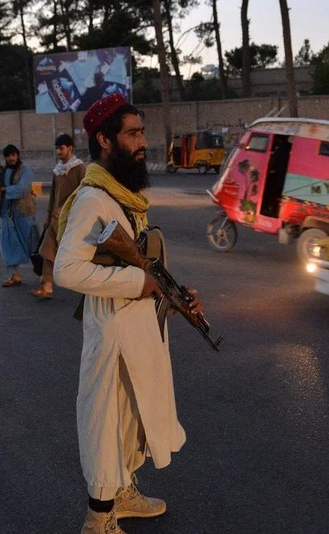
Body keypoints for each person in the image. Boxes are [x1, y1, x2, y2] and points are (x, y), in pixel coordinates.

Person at [53, 93, 203, 533]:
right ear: (104, 139)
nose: (143, 142)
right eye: (133, 133)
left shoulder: (125, 198)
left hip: (139, 327)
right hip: (114, 331)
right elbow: (66, 269)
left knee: (132, 417)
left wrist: (172, 293)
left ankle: (123, 493)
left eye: (142, 132)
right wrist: (138, 284)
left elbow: (142, 262)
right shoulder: (93, 199)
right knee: (105, 418)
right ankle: (98, 520)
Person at [30, 134, 85, 299]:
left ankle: (86, 284)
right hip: (55, 219)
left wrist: (65, 208)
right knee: (49, 248)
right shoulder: (58, 170)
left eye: (61, 148)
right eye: (57, 149)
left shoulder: (79, 168)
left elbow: (84, 192)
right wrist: (49, 216)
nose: (59, 152)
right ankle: (47, 285)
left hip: (73, 219)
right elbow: (53, 196)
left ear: (70, 148)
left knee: (75, 253)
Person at [0, 144, 39, 287]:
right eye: (8, 156)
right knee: (7, 244)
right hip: (6, 214)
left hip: (24, 213)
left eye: (13, 155)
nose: (11, 158)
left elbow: (22, 189)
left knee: (32, 246)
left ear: (18, 156)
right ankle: (14, 275)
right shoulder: (3, 172)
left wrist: (4, 190)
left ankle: (45, 276)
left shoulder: (25, 170)